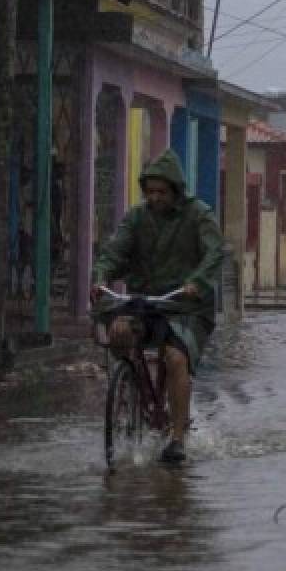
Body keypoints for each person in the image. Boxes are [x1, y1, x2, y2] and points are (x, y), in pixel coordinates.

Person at [91, 149, 224, 464]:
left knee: (176, 358)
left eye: (161, 192)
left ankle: (177, 439)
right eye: (149, 192)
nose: (154, 198)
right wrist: (100, 277)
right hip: (146, 301)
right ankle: (131, 387)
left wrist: (197, 282)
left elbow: (216, 252)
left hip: (186, 305)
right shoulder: (136, 218)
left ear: (175, 190)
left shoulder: (198, 215)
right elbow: (114, 251)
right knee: (119, 331)